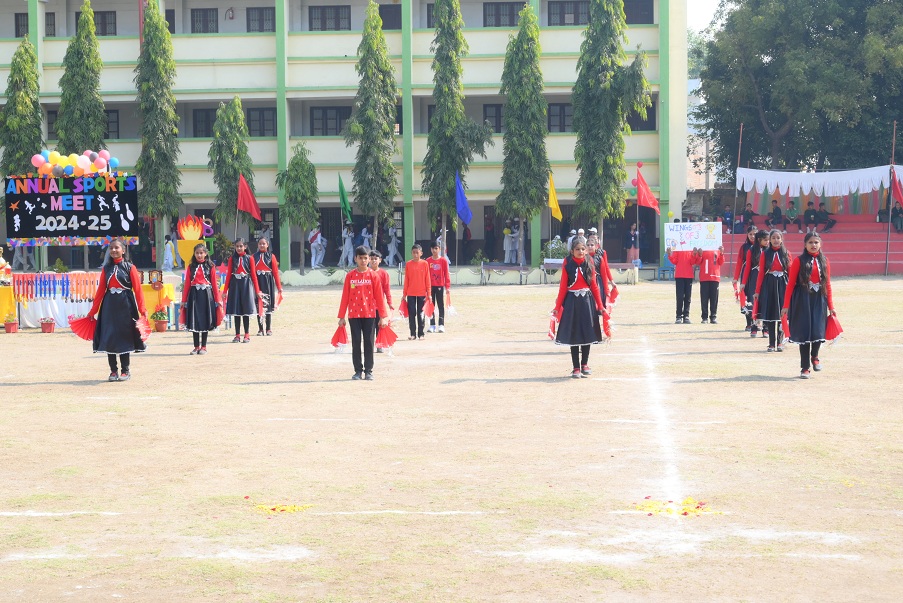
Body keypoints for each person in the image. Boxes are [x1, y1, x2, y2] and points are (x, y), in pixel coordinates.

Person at [86, 238, 147, 382]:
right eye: (111, 248)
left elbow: (138, 290)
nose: (113, 250)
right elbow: (101, 291)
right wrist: (93, 311)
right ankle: (113, 371)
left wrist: (142, 310)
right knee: (110, 336)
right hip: (109, 306)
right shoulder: (106, 268)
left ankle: (125, 371)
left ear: (123, 250)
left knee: (125, 336)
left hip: (126, 305)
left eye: (116, 248)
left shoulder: (130, 267)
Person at [782, 233, 837, 379]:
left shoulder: (825, 261)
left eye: (816, 242)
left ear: (820, 244)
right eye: (810, 242)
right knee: (804, 334)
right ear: (805, 244)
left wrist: (831, 306)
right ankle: (805, 368)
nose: (813, 245)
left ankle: (815, 356)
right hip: (802, 299)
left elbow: (828, 284)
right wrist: (785, 305)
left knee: (818, 330)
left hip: (819, 299)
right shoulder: (798, 261)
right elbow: (790, 284)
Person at [552, 236, 605, 378]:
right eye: (577, 249)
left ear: (586, 250)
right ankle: (576, 367)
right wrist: (557, 307)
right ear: (572, 251)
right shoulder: (567, 264)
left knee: (587, 331)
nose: (581, 251)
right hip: (572, 302)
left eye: (583, 249)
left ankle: (585, 364)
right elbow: (563, 287)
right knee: (574, 334)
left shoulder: (590, 262)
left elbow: (594, 286)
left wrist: (600, 306)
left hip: (587, 302)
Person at [337, 246, 389, 381]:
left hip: (370, 315)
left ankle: (369, 371)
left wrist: (383, 317)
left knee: (369, 343)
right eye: (360, 258)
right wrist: (341, 316)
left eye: (366, 258)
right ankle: (358, 371)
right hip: (354, 315)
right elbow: (345, 297)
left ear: (369, 259)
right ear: (355, 258)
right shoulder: (350, 276)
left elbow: (379, 297)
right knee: (356, 343)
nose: (363, 261)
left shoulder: (373, 276)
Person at [180, 243, 223, 355]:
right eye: (197, 253)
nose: (199, 255)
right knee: (194, 320)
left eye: (201, 253)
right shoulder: (191, 267)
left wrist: (218, 299)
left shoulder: (211, 266)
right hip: (194, 295)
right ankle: (196, 347)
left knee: (205, 320)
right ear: (194, 254)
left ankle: (203, 346)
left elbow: (214, 284)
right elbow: (187, 284)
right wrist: (184, 300)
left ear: (205, 254)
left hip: (206, 296)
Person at [754, 230, 790, 352]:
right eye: (773, 238)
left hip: (783, 284)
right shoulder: (765, 254)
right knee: (770, 314)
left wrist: (794, 289)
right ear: (769, 240)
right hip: (769, 284)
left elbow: (791, 272)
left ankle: (780, 342)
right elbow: (760, 274)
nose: (775, 240)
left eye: (778, 238)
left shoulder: (786, 253)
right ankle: (771, 343)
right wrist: (757, 291)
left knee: (782, 314)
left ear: (781, 239)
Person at [223, 238, 261, 343]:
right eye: (237, 246)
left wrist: (257, 290)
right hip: (235, 285)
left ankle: (247, 334)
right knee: (236, 311)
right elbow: (228, 275)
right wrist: (225, 291)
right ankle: (237, 335)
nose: (239, 248)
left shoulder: (250, 258)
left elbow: (254, 275)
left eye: (241, 246)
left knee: (245, 311)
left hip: (246, 285)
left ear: (245, 246)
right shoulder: (232, 259)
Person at [740, 230, 770, 338]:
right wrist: (743, 283)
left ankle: (766, 328)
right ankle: (754, 327)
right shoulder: (751, 250)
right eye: (765, 240)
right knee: (754, 302)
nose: (767, 242)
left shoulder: (770, 251)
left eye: (768, 240)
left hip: (766, 278)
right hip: (754, 278)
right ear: (759, 240)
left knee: (766, 302)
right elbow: (747, 267)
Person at [253, 238, 283, 336]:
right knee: (259, 304)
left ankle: (268, 328)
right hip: (258, 282)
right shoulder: (253, 257)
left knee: (268, 305)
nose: (262, 245)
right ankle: (260, 329)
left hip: (268, 282)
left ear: (267, 244)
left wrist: (279, 287)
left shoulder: (271, 256)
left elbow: (275, 272)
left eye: (263, 244)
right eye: (260, 244)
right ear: (258, 245)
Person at [401, 243, 431, 340]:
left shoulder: (425, 264)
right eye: (414, 252)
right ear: (411, 253)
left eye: (417, 252)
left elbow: (427, 279)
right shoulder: (408, 264)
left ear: (421, 253)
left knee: (420, 314)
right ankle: (412, 333)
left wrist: (429, 293)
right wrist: (404, 294)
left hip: (422, 293)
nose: (415, 254)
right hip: (411, 293)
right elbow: (406, 280)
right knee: (412, 313)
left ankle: (421, 334)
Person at [732, 225, 758, 332]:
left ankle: (757, 323)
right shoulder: (744, 247)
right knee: (747, 297)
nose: (752, 236)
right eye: (750, 234)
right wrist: (735, 278)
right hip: (746, 275)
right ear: (747, 235)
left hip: (758, 274)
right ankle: (748, 323)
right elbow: (739, 262)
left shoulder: (762, 246)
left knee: (757, 298)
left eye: (754, 234)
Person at [369, 250, 394, 353]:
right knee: (370, 327)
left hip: (379, 305)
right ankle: (369, 346)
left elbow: (387, 289)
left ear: (380, 260)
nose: (374, 261)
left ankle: (380, 345)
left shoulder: (384, 274)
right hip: (368, 306)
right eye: (372, 259)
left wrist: (389, 302)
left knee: (380, 325)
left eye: (376, 259)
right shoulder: (366, 273)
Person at [668, 246, 697, 324]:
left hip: (689, 276)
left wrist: (694, 254)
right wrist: (670, 255)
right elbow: (674, 261)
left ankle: (686, 316)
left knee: (688, 297)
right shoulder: (678, 248)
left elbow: (693, 262)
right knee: (680, 297)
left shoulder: (691, 248)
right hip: (679, 275)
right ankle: (678, 316)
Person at [426, 241, 451, 333]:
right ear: (430, 249)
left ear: (439, 249)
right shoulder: (428, 261)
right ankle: (432, 325)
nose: (434, 250)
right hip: (430, 287)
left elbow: (446, 274)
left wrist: (447, 287)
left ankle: (441, 325)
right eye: (433, 248)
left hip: (440, 285)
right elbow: (425, 275)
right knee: (431, 305)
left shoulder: (443, 261)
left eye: (436, 248)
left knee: (440, 305)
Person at [697, 246, 724, 324]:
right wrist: (700, 255)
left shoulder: (717, 248)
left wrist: (721, 253)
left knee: (714, 299)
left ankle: (713, 317)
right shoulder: (702, 248)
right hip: (704, 277)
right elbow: (698, 262)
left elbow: (721, 262)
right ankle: (704, 317)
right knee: (704, 299)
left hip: (715, 277)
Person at [586, 236, 614, 311]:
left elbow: (604, 274)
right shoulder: (583, 258)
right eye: (588, 245)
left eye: (592, 245)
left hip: (597, 282)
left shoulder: (599, 258)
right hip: (586, 282)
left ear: (596, 246)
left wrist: (607, 289)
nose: (590, 247)